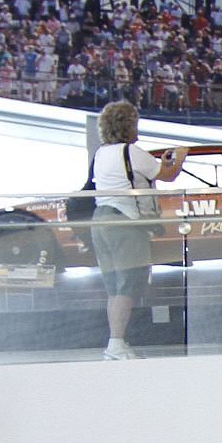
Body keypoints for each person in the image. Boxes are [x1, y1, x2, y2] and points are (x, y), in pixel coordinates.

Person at [90, 100, 184, 361]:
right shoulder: (131, 151)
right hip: (125, 222)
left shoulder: (102, 153)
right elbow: (169, 174)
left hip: (101, 220)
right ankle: (116, 343)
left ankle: (115, 342)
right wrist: (181, 155)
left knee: (114, 286)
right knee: (129, 284)